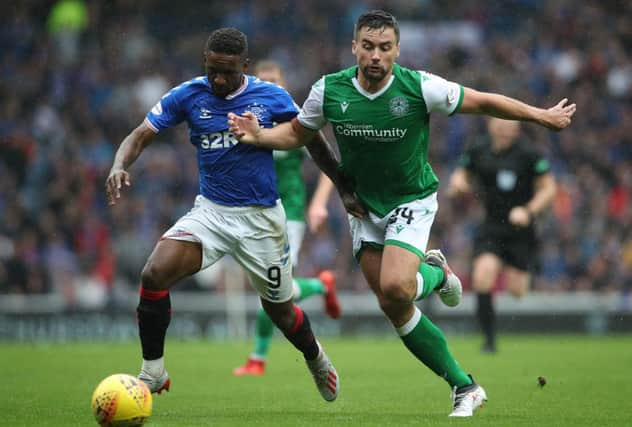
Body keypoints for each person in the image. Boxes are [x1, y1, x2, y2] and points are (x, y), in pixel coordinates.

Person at [228, 10, 575, 417]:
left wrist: (540, 115)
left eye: (385, 48)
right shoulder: (329, 91)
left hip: (411, 200)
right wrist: (260, 135)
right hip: (362, 206)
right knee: (393, 304)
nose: (376, 55)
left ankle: (436, 276)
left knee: (396, 286)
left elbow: (482, 101)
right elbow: (298, 133)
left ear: (397, 51)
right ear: (355, 46)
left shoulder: (419, 87)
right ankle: (464, 384)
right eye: (369, 46)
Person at [104, 27, 352, 402]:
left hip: (262, 222)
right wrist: (119, 164)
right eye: (212, 70)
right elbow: (141, 133)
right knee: (154, 273)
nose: (218, 79)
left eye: (228, 72)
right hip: (212, 214)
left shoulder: (271, 96)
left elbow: (312, 140)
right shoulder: (188, 94)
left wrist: (342, 185)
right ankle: (152, 372)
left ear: (245, 66)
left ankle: (316, 358)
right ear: (205, 61)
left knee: (282, 313)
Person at [233, 60, 341, 377]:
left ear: (283, 83)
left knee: (273, 287)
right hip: (253, 215)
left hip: (289, 214)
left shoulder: (293, 120)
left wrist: (319, 203)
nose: (269, 85)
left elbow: (327, 162)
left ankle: (257, 358)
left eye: (274, 80)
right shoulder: (245, 121)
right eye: (262, 80)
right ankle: (322, 285)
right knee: (279, 289)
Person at [447, 118, 557, 353]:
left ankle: (516, 270)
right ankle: (489, 340)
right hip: (492, 227)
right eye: (501, 125)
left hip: (521, 231)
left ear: (517, 129)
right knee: (482, 277)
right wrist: (458, 184)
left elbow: (549, 188)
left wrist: (528, 211)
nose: (506, 130)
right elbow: (461, 174)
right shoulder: (478, 148)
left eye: (511, 126)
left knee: (518, 291)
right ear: (490, 124)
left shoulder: (528, 153)